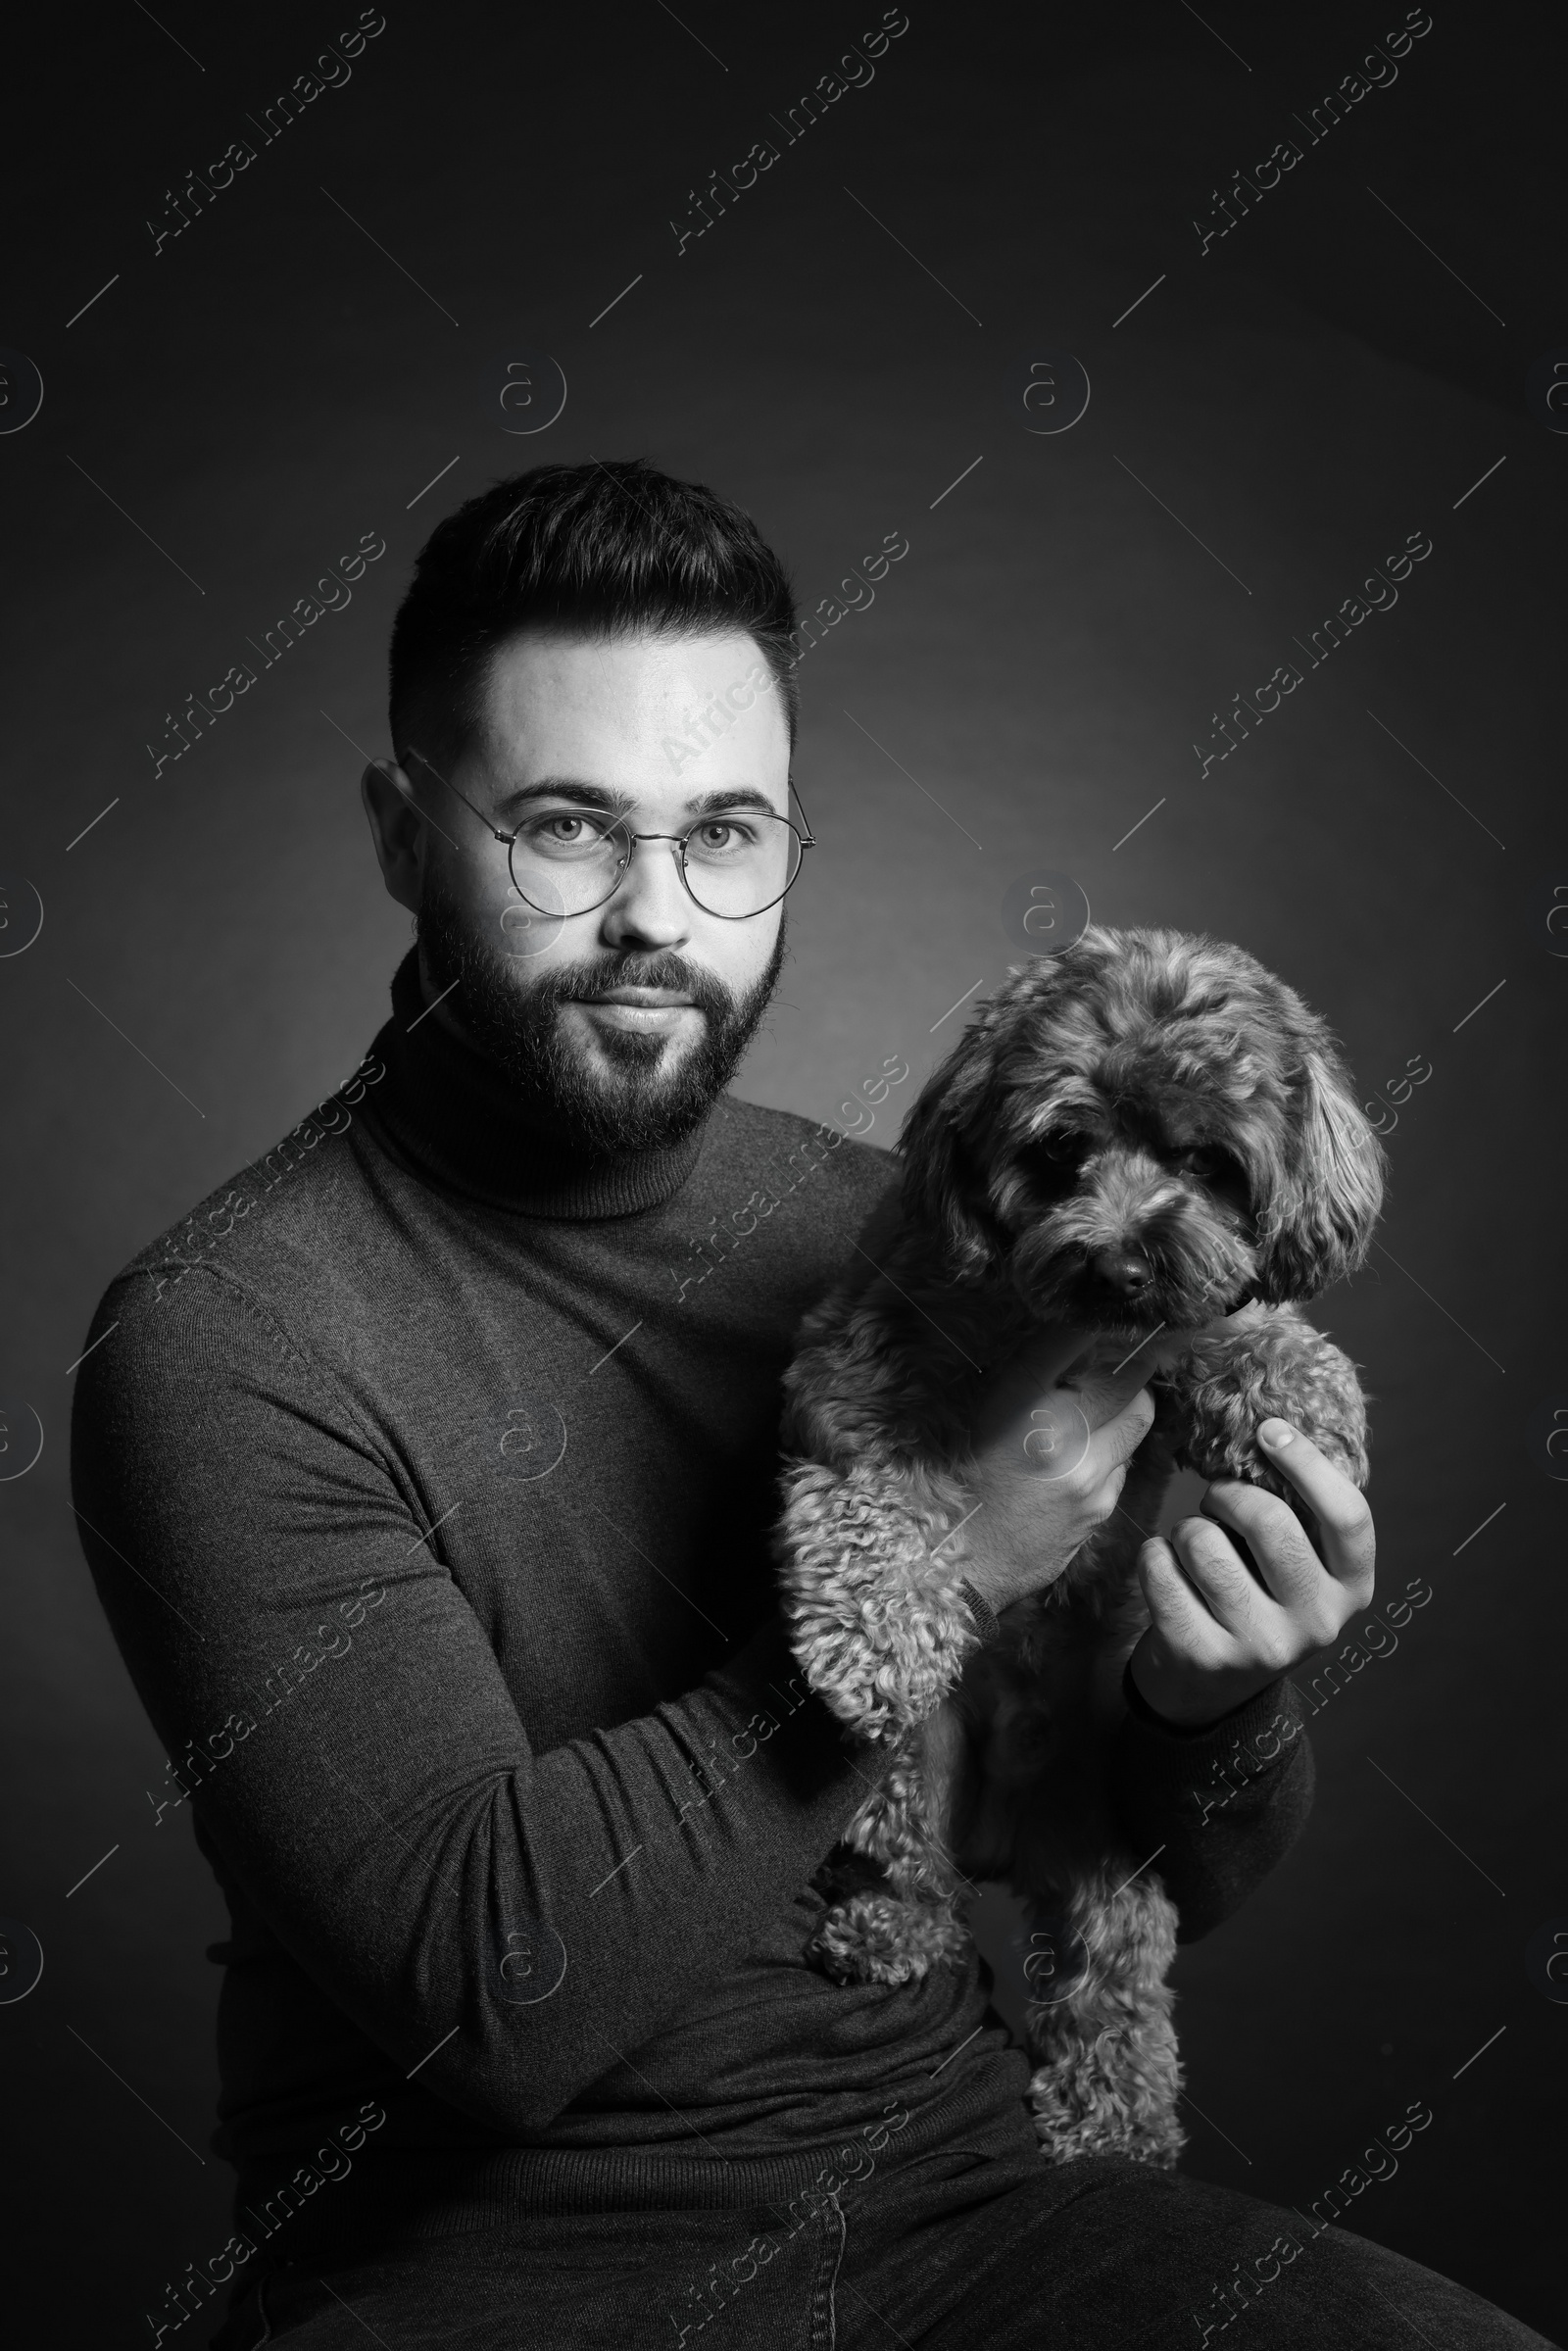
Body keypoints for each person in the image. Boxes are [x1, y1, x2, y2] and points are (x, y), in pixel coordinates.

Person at [71, 460, 1553, 2350]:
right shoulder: (228, 1340)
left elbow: (1125, 1844)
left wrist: (1210, 1702)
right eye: (566, 830)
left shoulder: (900, 1221)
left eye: (729, 835)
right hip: (495, 2285)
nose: (656, 915)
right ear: (399, 832)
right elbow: (488, 1993)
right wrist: (945, 1545)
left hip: (960, 2207)